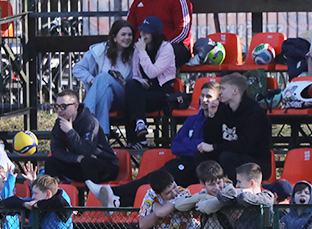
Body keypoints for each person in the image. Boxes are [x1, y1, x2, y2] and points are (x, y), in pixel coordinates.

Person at [88, 80, 221, 207]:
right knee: (153, 184)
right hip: (183, 163)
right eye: (202, 95)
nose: (204, 100)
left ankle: (113, 192)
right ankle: (117, 202)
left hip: (197, 169)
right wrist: (195, 145)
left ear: (218, 99)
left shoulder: (217, 121)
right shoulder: (192, 120)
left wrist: (187, 142)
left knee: (155, 179)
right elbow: (175, 146)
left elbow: (208, 145)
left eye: (208, 96)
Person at [197, 73, 273, 182]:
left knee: (226, 156)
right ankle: (210, 186)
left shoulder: (254, 113)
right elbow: (210, 140)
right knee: (201, 154)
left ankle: (235, 188)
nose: (220, 92)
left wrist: (215, 147)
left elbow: (243, 146)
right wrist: (212, 116)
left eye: (223, 88)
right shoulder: (223, 110)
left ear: (235, 91)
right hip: (231, 155)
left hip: (256, 164)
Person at [72, 20, 135, 136]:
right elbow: (77, 69)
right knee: (106, 92)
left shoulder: (135, 54)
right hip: (105, 96)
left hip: (124, 97)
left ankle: (85, 113)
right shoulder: (100, 51)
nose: (127, 38)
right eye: (123, 34)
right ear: (115, 37)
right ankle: (102, 136)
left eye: (130, 34)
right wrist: (91, 79)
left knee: (103, 77)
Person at [127, 0, 193, 68]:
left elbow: (182, 31)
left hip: (173, 47)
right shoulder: (138, 1)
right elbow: (128, 27)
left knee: (164, 52)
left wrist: (161, 45)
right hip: (144, 48)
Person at [45, 88, 119, 184]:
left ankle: (92, 198)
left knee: (88, 162)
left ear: (75, 106)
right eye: (57, 106)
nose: (59, 110)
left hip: (105, 167)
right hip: (81, 164)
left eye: (63, 106)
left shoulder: (89, 121)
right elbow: (56, 151)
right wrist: (77, 158)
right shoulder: (60, 122)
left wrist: (70, 131)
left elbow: (87, 150)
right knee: (51, 162)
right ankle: (52, 196)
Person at [124, 16, 177, 147]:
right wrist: (140, 81)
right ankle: (140, 126)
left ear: (155, 33)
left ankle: (136, 139)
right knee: (131, 87)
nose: (142, 35)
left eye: (146, 32)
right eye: (141, 31)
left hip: (162, 91)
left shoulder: (166, 48)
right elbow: (136, 74)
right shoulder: (138, 49)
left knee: (131, 100)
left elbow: (153, 72)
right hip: (145, 90)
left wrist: (142, 52)